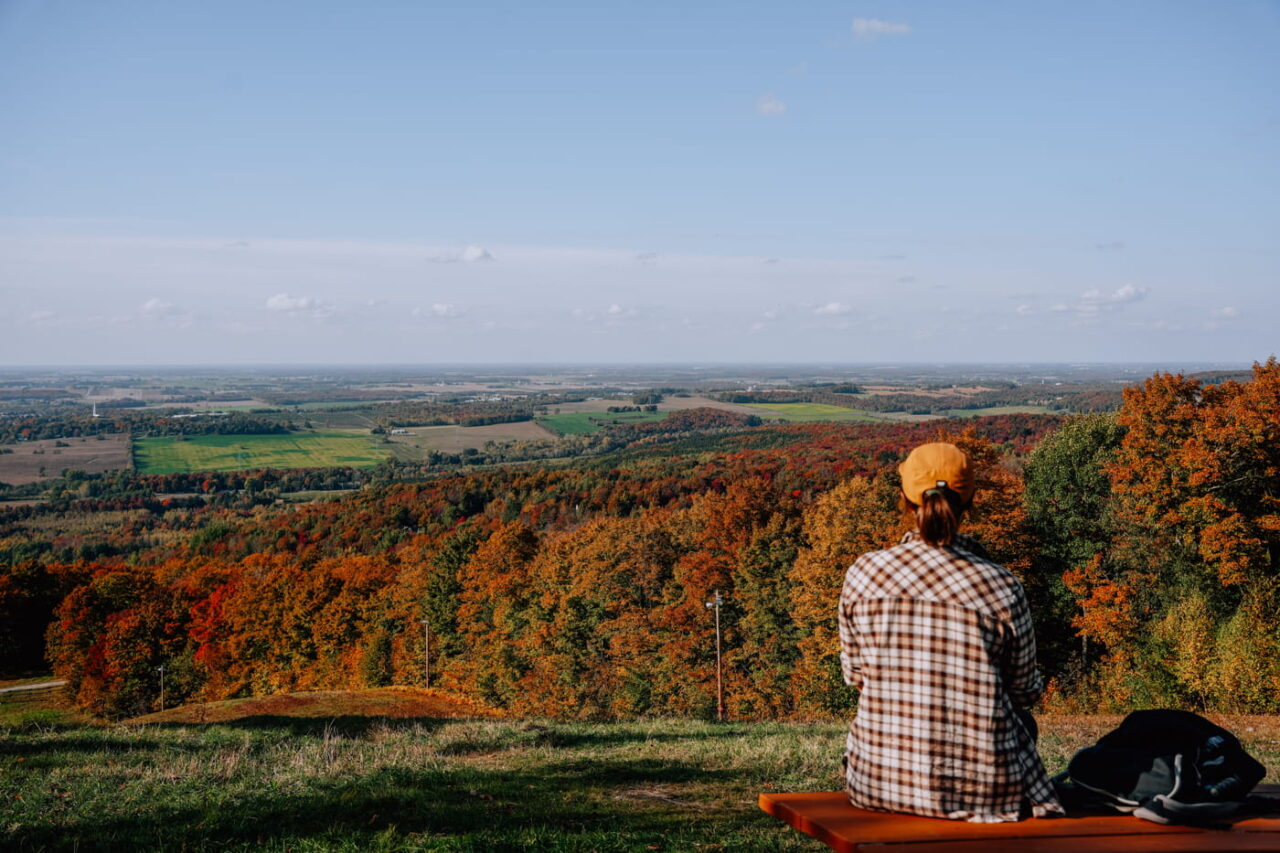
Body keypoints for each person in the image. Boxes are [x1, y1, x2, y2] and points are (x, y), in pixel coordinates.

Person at [837, 442, 1064, 822]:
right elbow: (1024, 690)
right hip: (985, 797)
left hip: (874, 786)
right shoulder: (1001, 585)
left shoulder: (865, 573)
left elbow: (856, 677)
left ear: (905, 500)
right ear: (970, 500)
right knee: (1020, 721)